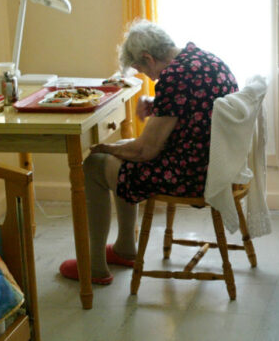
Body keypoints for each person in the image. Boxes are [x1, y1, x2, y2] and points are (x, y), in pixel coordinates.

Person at [59, 19, 239, 284]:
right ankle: (124, 248)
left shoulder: (173, 77)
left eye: (142, 69)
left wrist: (102, 148)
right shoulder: (204, 59)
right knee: (121, 150)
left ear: (148, 57)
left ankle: (93, 266)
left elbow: (145, 151)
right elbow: (196, 108)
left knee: (95, 164)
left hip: (191, 176)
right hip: (217, 164)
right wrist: (157, 107)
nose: (148, 77)